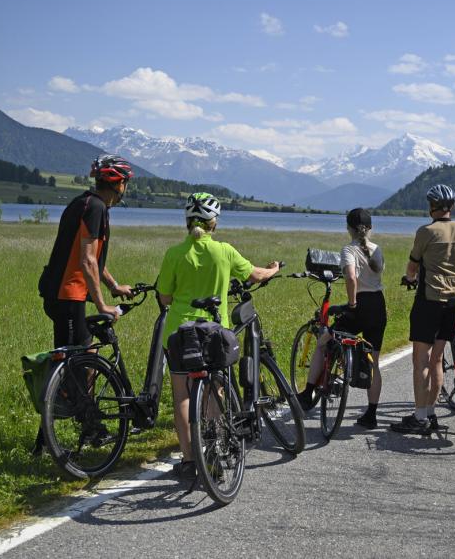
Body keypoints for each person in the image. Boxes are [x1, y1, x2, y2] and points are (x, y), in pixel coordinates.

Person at [157, 192, 280, 478]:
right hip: (214, 334)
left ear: (187, 222)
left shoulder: (174, 254)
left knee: (182, 398)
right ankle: (217, 447)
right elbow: (256, 275)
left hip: (179, 335)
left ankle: (189, 461)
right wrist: (273, 269)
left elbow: (164, 298)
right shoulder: (224, 251)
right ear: (214, 224)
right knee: (216, 392)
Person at [35, 155, 137, 452]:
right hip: (67, 297)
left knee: (85, 356)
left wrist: (114, 286)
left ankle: (64, 433)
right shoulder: (96, 209)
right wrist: (104, 305)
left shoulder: (84, 203)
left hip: (64, 295)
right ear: (118, 183)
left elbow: (92, 258)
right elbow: (87, 258)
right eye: (125, 183)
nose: (125, 188)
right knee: (75, 365)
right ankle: (85, 428)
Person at [390, 184, 455, 435]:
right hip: (454, 301)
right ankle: (431, 412)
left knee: (421, 361)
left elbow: (412, 269)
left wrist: (410, 279)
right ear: (451, 207)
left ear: (431, 207)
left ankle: (419, 416)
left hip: (429, 301)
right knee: (437, 359)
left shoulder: (425, 232)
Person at [296, 208, 387, 429]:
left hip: (360, 306)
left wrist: (352, 303)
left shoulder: (349, 249)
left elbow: (352, 278)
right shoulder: (378, 250)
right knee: (374, 360)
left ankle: (308, 393)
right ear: (370, 228)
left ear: (349, 229)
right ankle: (371, 414)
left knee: (324, 340)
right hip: (378, 305)